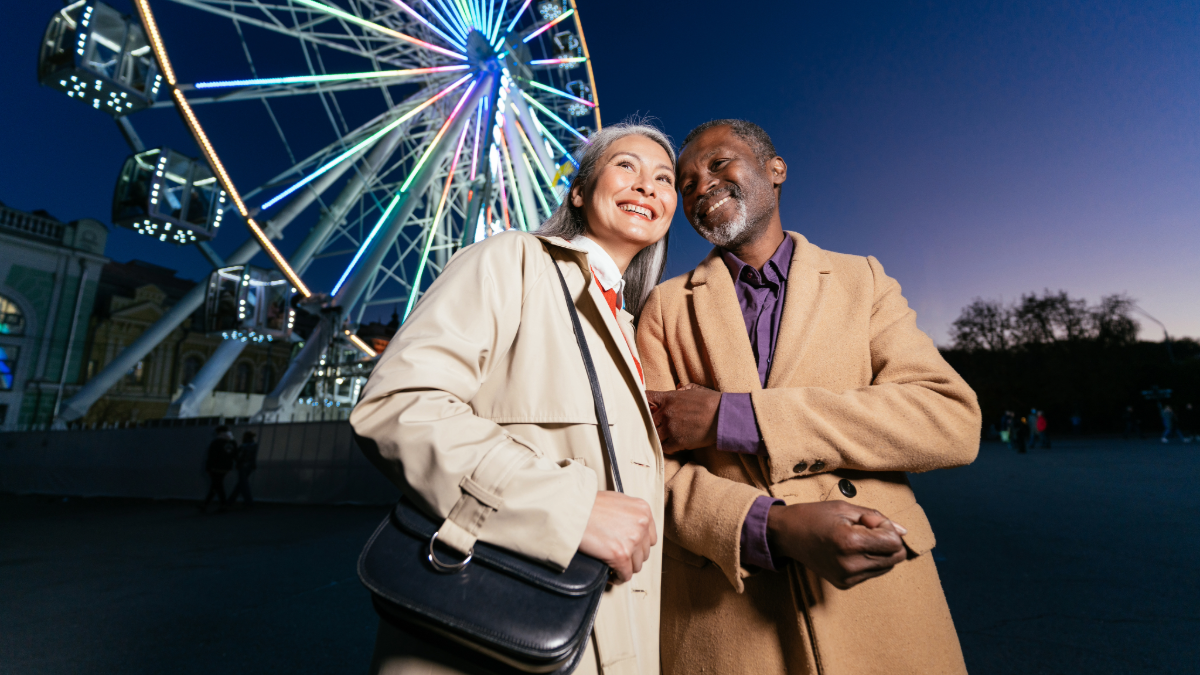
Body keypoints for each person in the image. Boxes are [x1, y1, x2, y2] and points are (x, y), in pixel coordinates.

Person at [637, 119, 981, 675]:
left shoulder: (862, 281)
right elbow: (649, 472)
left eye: (719, 164)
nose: (700, 186)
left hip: (884, 608)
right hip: (727, 618)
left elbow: (949, 420)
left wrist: (736, 418)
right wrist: (769, 524)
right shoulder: (664, 307)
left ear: (777, 171)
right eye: (686, 182)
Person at [350, 122, 677, 675]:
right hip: (498, 631)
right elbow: (399, 404)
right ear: (578, 190)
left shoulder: (632, 328)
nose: (647, 185)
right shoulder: (513, 260)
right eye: (626, 166)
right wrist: (570, 510)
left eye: (664, 178)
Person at [200, 426, 235, 513]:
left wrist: (208, 467)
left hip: (216, 467)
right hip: (225, 467)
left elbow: (211, 455)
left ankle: (219, 504)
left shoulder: (216, 442)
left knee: (217, 486)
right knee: (217, 485)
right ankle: (207, 504)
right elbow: (233, 455)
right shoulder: (231, 442)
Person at [229, 431, 258, 508]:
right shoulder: (254, 445)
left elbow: (239, 456)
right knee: (242, 484)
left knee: (243, 484)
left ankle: (248, 503)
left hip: (242, 466)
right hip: (249, 466)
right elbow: (253, 457)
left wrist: (238, 462)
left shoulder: (243, 446)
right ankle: (231, 501)